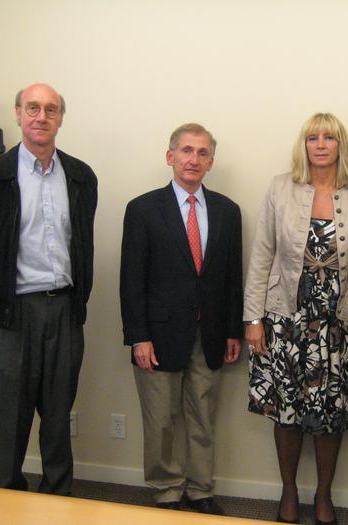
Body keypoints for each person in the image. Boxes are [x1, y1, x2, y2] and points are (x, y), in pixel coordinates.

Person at [0, 83, 98, 494]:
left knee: (58, 414)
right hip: (13, 315)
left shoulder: (80, 176)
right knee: (11, 415)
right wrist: (0, 296)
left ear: (60, 119)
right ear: (18, 114)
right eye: (33, 108)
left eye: (51, 109)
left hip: (65, 311)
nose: (41, 117)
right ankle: (6, 496)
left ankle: (58, 497)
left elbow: (82, 243)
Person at [244, 113, 348, 525]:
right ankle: (289, 491)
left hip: (340, 323)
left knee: (331, 412)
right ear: (303, 145)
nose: (320, 144)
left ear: (341, 145)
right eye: (312, 137)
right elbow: (262, 254)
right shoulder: (279, 187)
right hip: (286, 318)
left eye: (329, 137)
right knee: (287, 410)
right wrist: (253, 318)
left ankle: (324, 495)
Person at [120, 123, 242, 515]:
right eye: (187, 150)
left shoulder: (227, 211)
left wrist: (233, 331)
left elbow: (232, 277)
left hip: (210, 333)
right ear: (170, 156)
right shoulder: (142, 209)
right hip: (158, 335)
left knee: (203, 417)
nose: (194, 159)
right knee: (161, 420)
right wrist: (138, 336)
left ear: (211, 162)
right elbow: (131, 280)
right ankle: (167, 491)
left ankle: (201, 489)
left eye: (202, 153)